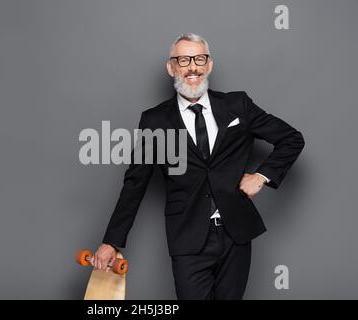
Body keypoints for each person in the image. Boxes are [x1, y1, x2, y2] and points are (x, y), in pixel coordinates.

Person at [90, 33, 305, 299]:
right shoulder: (155, 121)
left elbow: (291, 138)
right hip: (187, 237)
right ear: (172, 68)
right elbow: (135, 184)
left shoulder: (238, 105)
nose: (192, 66)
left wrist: (260, 176)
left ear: (209, 64)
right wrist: (111, 241)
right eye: (183, 60)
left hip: (236, 234)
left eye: (199, 58)